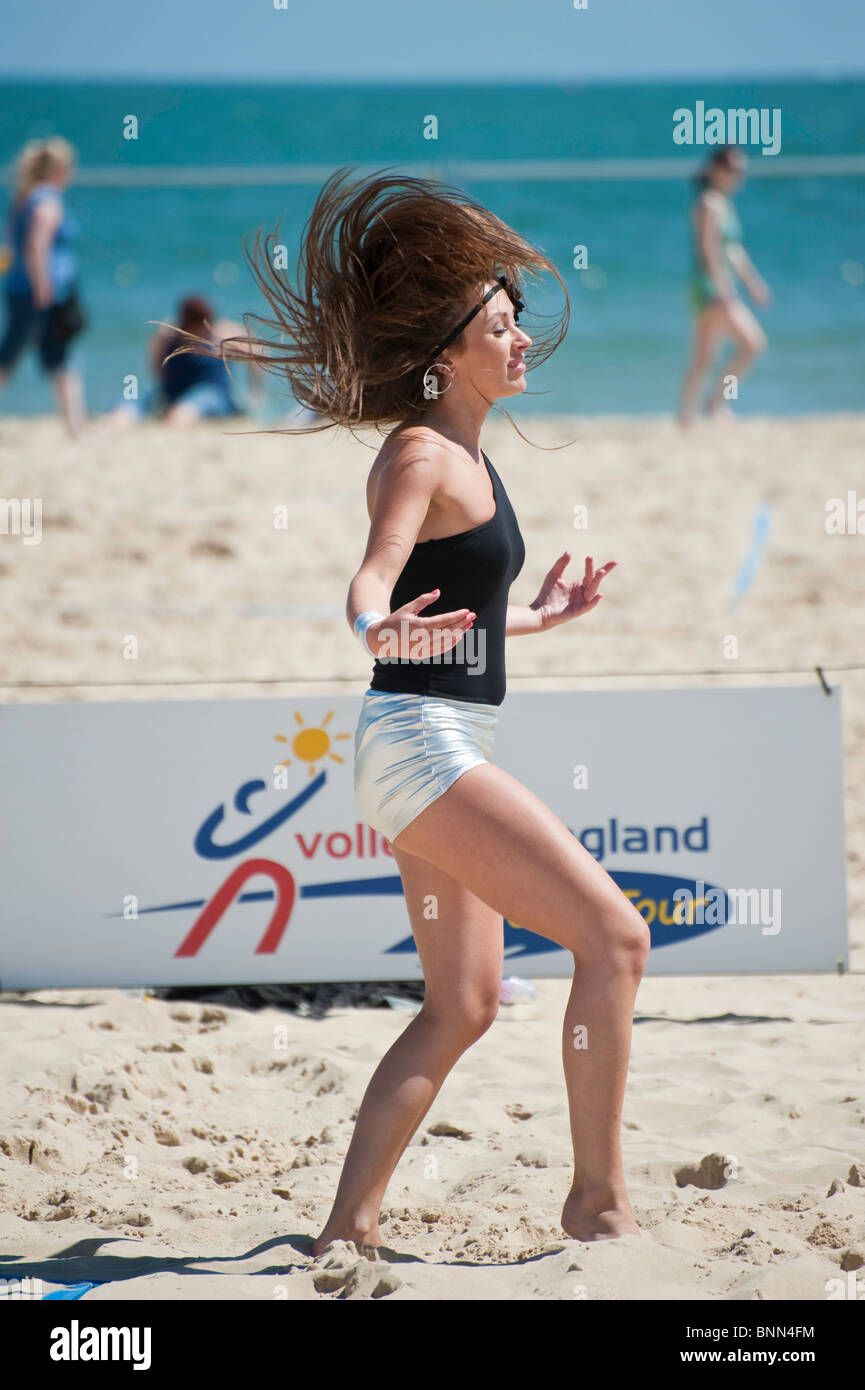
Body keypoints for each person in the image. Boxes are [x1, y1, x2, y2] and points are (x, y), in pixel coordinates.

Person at [180, 167, 650, 1251]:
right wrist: (373, 625)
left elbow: (461, 620)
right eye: (500, 324)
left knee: (464, 1002)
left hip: (438, 736)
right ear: (449, 353)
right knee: (616, 940)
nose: (522, 336)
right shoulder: (419, 451)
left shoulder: (473, 453)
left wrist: (541, 617)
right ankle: (599, 1204)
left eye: (519, 319)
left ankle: (346, 1230)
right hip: (418, 742)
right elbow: (373, 578)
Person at [0, 136, 87, 438]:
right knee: (49, 355)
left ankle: (75, 426)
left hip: (19, 286)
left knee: (35, 353)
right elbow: (37, 246)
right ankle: (74, 426)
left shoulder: (24, 196)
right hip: (43, 291)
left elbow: (12, 242)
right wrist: (43, 287)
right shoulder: (48, 200)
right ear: (59, 168)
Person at [679, 145, 771, 424]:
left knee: (704, 356)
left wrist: (752, 282)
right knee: (752, 345)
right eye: (732, 169)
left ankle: (686, 415)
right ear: (716, 170)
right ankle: (714, 403)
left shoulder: (723, 203)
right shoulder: (709, 203)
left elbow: (733, 251)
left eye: (740, 170)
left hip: (714, 286)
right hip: (711, 287)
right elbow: (707, 251)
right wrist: (724, 289)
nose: (737, 175)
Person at [101, 294, 261, 429]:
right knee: (131, 400)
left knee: (187, 409)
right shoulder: (168, 333)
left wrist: (254, 394)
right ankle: (116, 423)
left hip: (211, 394)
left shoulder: (220, 333)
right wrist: (163, 382)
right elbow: (155, 359)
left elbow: (257, 354)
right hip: (173, 392)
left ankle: (173, 420)